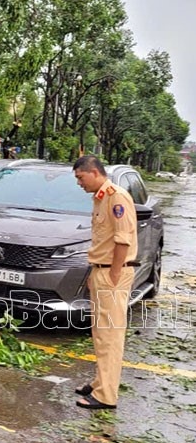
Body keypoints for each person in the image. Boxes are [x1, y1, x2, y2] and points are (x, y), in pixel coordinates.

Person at [72, 155, 137, 409]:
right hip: (102, 270)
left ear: (95, 172)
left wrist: (113, 275)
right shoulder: (100, 198)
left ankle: (105, 396)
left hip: (113, 273)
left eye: (80, 177)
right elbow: (103, 242)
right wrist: (95, 272)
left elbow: (123, 240)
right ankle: (100, 383)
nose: (79, 183)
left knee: (110, 335)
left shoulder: (116, 197)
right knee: (100, 333)